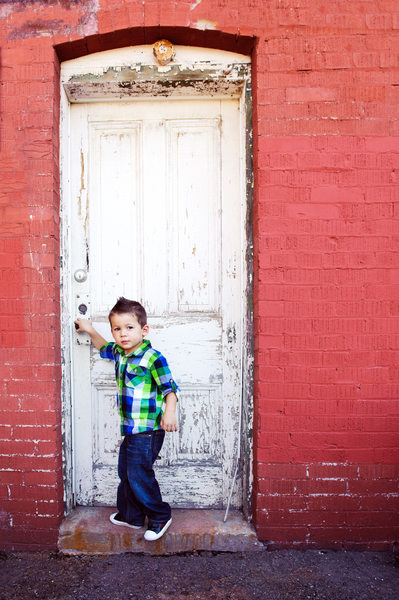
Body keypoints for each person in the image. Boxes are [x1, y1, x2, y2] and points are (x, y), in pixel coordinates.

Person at [74, 297, 179, 541]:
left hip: (149, 429)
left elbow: (170, 388)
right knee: (126, 472)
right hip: (131, 429)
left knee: (139, 474)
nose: (123, 334)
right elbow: (103, 347)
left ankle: (159, 515)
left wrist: (170, 412)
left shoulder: (153, 358)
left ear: (144, 330)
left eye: (129, 328)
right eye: (117, 329)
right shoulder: (120, 353)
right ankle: (130, 515)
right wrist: (90, 330)